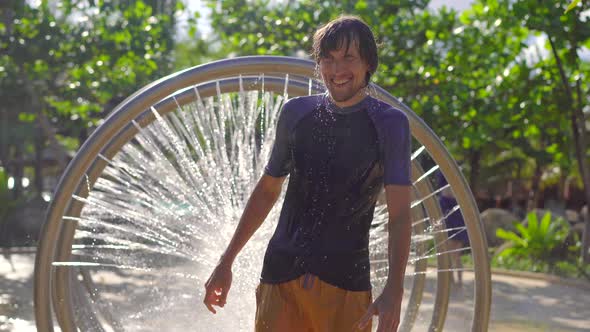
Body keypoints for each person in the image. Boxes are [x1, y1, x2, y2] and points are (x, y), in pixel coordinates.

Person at [203, 15, 412, 332]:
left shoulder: (390, 124)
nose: (336, 70)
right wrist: (226, 261)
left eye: (348, 58)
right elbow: (267, 190)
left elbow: (399, 216)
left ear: (368, 62)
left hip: (348, 283)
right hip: (280, 277)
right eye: (327, 59)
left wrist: (395, 289)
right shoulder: (296, 114)